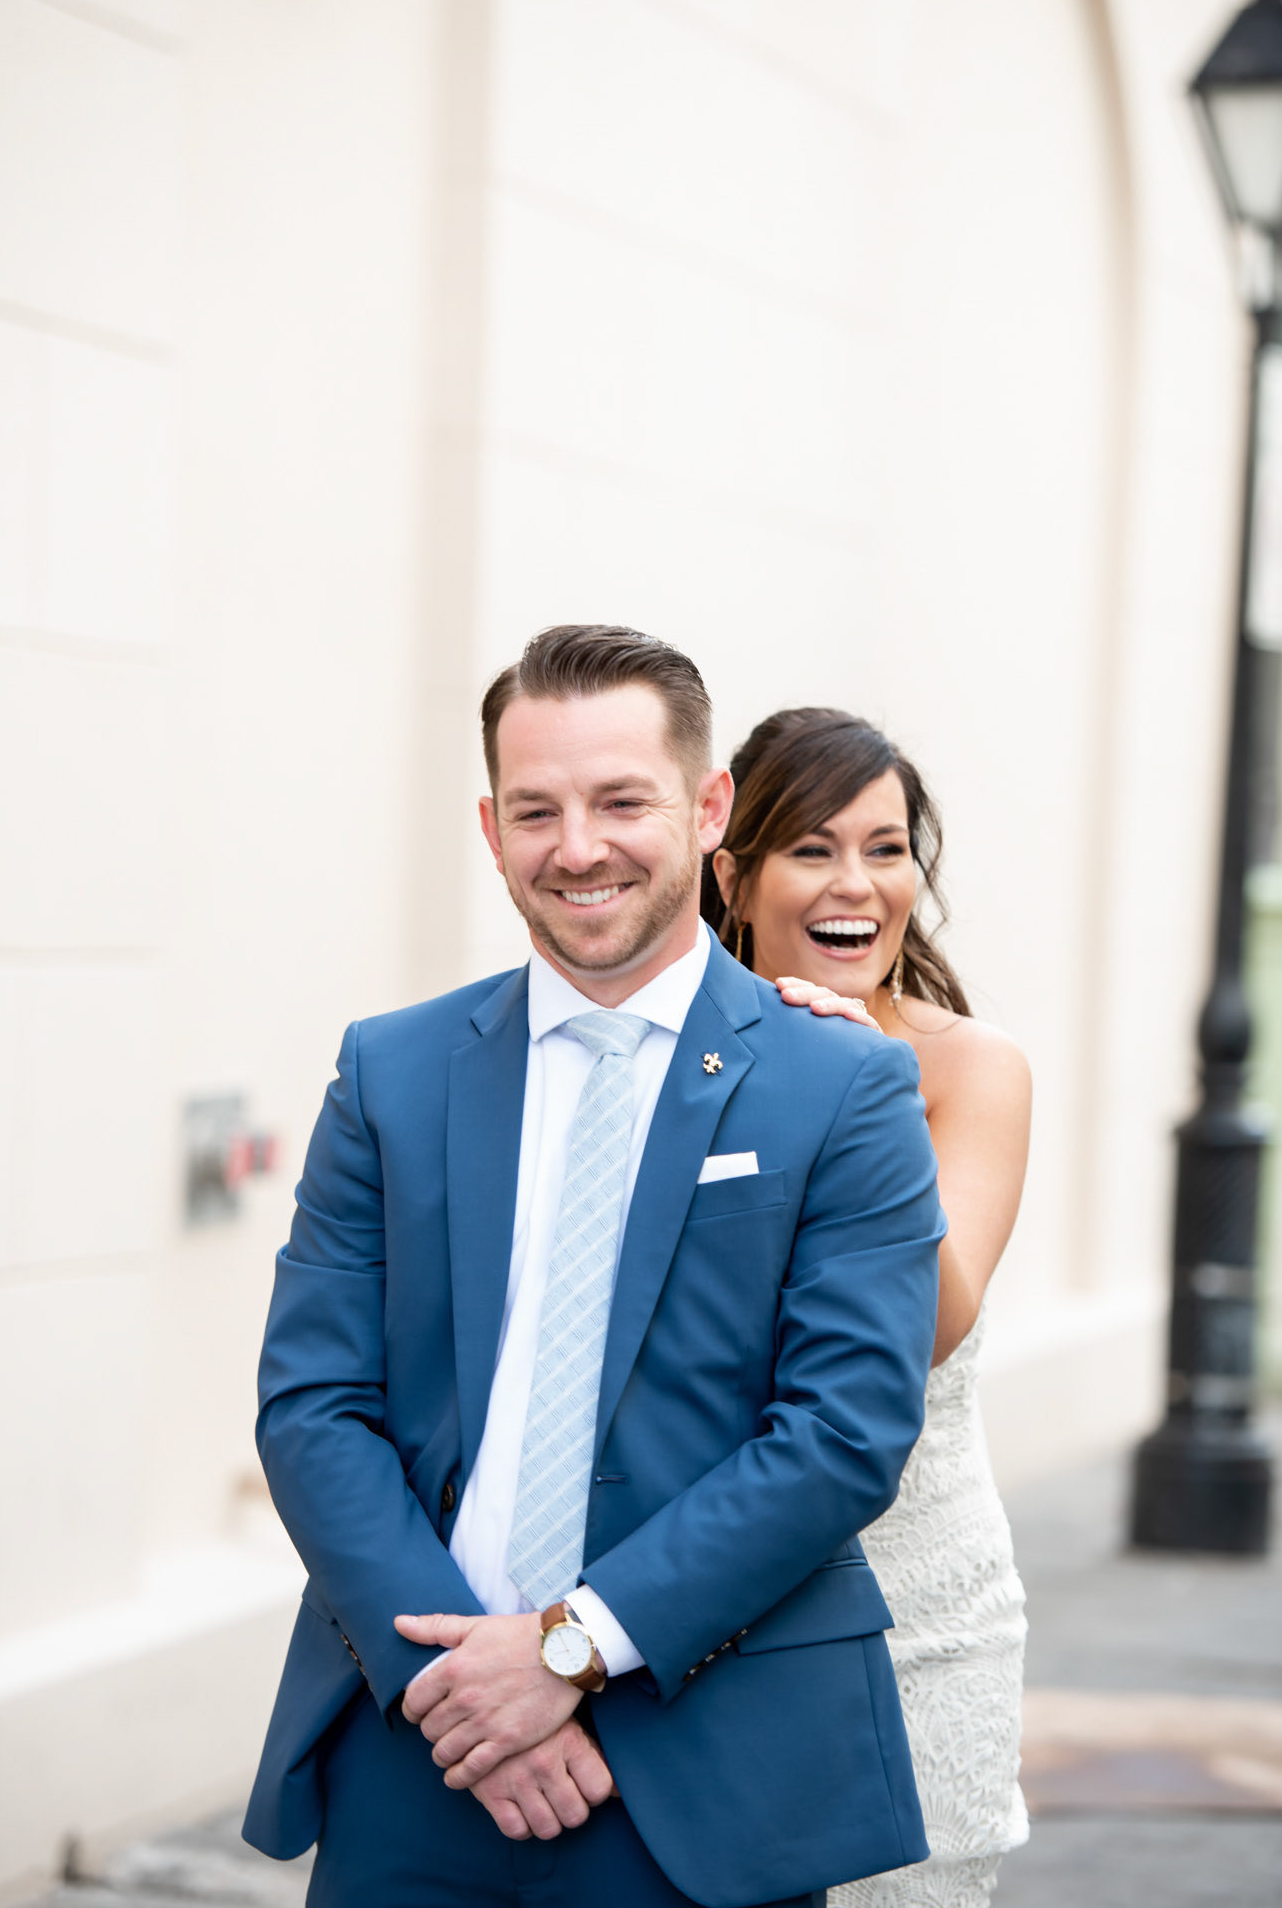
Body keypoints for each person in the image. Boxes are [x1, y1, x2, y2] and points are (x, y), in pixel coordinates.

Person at [242, 627, 949, 1908]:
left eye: (623, 799)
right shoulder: (391, 1070)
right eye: (537, 809)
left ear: (709, 805)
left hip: (700, 1757)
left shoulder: (841, 1084)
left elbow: (845, 1431)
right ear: (490, 823)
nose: (579, 846)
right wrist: (456, 1682)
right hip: (417, 1741)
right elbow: (312, 1403)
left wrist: (566, 1652)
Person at [703, 707, 1031, 1908]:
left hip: (919, 1626)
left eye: (886, 847)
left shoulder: (966, 1067)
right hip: (702, 1622)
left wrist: (874, 1089)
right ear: (731, 873)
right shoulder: (676, 1064)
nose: (858, 883)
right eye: (813, 847)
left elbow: (928, 1324)